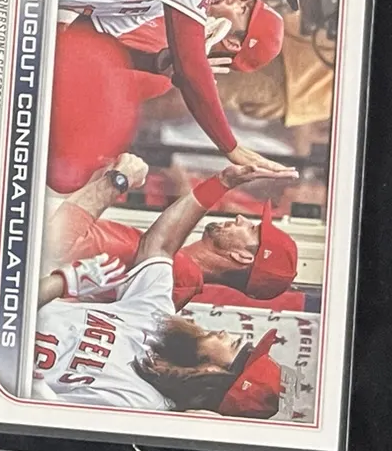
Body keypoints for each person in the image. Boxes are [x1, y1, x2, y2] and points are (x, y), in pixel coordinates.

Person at [54, 0, 317, 179]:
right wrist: (231, 147)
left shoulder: (160, 2)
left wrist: (155, 62)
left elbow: (90, 36)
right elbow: (190, 65)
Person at [32, 160, 292, 417]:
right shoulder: (159, 325)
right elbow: (160, 245)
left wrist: (117, 180)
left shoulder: (141, 404)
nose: (226, 332)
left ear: (215, 372)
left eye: (234, 344)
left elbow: (41, 411)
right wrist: (222, 182)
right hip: (14, 310)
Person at [41, 151, 300, 310]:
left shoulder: (178, 277)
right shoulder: (179, 270)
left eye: (252, 229)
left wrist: (117, 181)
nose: (241, 218)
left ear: (242, 257)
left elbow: (58, 245)